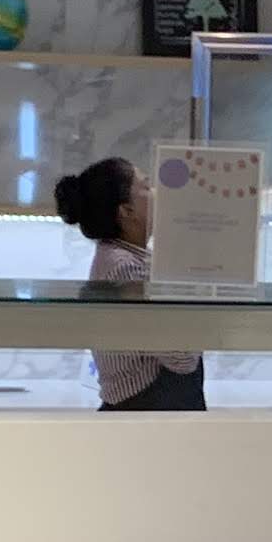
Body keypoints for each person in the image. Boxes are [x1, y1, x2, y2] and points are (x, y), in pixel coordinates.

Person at [54, 154, 203, 411]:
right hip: (146, 409)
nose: (157, 193)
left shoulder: (118, 257)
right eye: (147, 186)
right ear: (126, 211)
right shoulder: (127, 268)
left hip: (143, 406)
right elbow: (182, 358)